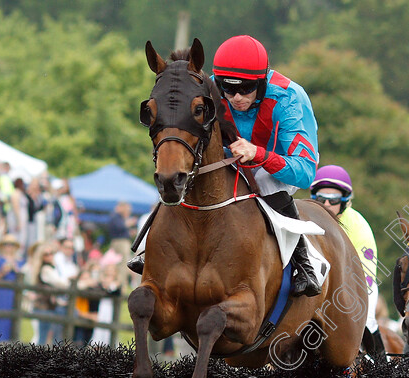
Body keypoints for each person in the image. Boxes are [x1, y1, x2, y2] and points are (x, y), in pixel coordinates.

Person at [127, 35, 322, 297]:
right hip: (228, 157)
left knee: (264, 180)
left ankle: (303, 264)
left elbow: (305, 173)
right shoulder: (209, 93)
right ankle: (151, 249)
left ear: (262, 82)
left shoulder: (289, 100)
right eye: (228, 89)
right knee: (178, 171)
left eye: (246, 89)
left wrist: (258, 154)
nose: (236, 97)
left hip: (280, 163)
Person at [309, 165, 384, 359]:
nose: (326, 205)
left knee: (367, 319)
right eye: (320, 199)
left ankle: (380, 365)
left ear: (344, 202)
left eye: (333, 200)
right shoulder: (305, 220)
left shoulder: (359, 226)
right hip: (315, 288)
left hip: (354, 286)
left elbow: (365, 276)